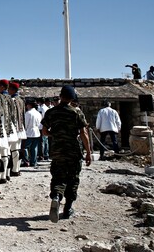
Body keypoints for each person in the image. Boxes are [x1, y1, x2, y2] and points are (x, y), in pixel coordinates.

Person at [41, 85, 92, 223]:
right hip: (73, 151)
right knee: (73, 178)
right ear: (72, 98)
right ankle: (68, 208)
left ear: (61, 95)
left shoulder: (51, 112)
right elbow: (83, 133)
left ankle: (56, 197)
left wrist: (55, 135)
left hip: (57, 150)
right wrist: (88, 152)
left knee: (58, 176)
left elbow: (44, 132)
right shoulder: (77, 112)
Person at [8, 82, 26, 176]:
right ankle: (17, 168)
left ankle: (14, 169)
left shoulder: (12, 100)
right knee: (17, 150)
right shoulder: (21, 100)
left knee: (14, 150)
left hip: (14, 127)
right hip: (20, 127)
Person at [23, 99, 42, 168]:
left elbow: (25, 124)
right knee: (34, 148)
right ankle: (33, 162)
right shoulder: (38, 113)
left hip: (29, 132)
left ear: (29, 105)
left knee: (24, 147)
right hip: (36, 132)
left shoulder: (28, 113)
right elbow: (40, 125)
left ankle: (26, 161)